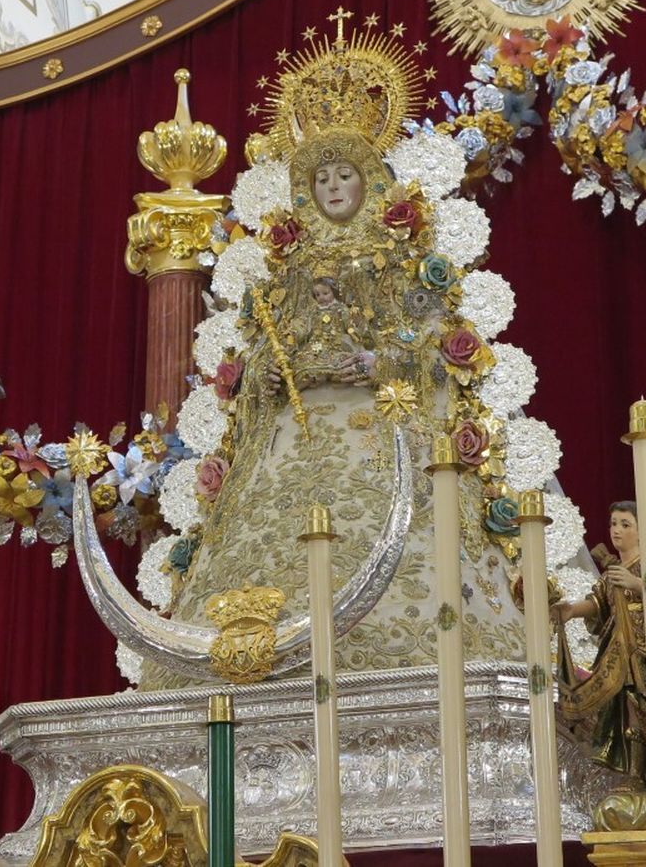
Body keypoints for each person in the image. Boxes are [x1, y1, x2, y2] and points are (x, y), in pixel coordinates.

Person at [138, 126, 521, 687]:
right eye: (321, 179)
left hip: (381, 428)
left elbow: (435, 344)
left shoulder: (396, 256)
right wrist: (266, 372)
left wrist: (379, 363)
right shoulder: (291, 267)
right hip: (291, 440)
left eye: (345, 175)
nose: (334, 187)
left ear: (370, 184)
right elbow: (266, 345)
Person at [552, 502, 646, 785]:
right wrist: (571, 611)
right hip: (618, 653)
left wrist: (635, 583)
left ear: (641, 531)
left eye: (625, 524)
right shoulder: (611, 574)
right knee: (625, 709)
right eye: (613, 523)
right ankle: (633, 775)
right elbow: (598, 603)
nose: (616, 530)